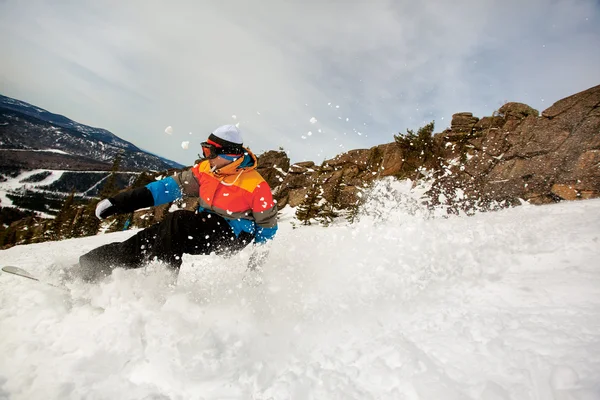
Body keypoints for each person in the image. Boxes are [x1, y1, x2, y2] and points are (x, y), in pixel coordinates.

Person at [77, 125, 278, 282]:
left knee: (178, 221)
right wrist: (119, 203)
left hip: (232, 234)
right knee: (153, 237)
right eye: (205, 150)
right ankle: (89, 267)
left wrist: (254, 272)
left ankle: (160, 286)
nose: (206, 157)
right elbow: (166, 188)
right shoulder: (206, 170)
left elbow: (267, 229)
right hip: (204, 222)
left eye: (210, 152)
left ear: (229, 154)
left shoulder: (256, 186)